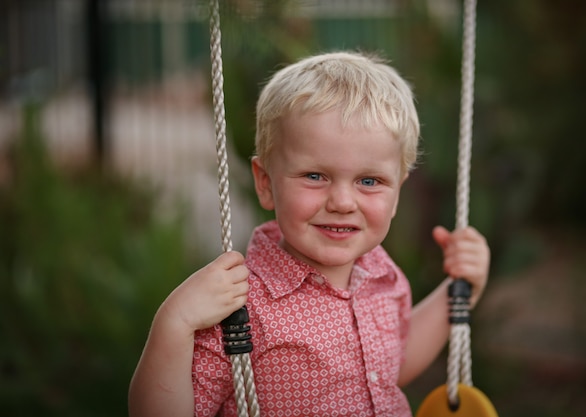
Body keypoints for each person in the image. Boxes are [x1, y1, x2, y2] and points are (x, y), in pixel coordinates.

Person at [128, 51, 490, 417]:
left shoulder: (382, 275)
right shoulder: (239, 304)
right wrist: (174, 324)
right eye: (315, 176)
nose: (343, 201)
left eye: (369, 181)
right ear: (265, 183)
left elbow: (392, 364)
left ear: (397, 192)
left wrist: (460, 289)